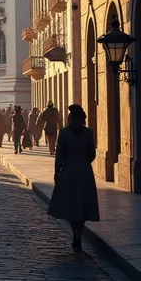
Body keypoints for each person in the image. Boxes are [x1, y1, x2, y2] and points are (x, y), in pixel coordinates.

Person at [48, 104, 99, 253]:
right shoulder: (88, 133)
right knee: (82, 205)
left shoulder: (64, 133)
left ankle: (75, 234)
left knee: (70, 206)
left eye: (69, 115)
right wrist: (83, 161)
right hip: (85, 173)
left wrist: (57, 172)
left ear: (72, 118)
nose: (67, 117)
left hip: (69, 173)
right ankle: (78, 233)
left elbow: (60, 156)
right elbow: (92, 154)